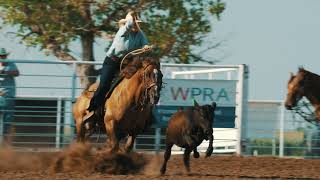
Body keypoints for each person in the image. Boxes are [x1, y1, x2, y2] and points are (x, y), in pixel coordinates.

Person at [84, 11, 151, 121]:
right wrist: (130, 17)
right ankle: (93, 109)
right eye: (135, 23)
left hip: (126, 63)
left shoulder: (140, 34)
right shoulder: (123, 30)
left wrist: (146, 47)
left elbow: (145, 43)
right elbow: (128, 24)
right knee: (104, 84)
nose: (136, 25)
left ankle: (141, 113)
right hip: (112, 61)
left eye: (137, 23)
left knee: (139, 81)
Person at [0, 48, 19, 137]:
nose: (3, 57)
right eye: (1, 56)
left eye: (4, 56)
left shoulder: (11, 64)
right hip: (2, 95)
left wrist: (4, 71)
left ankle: (5, 140)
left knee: (7, 119)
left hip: (8, 95)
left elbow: (16, 73)